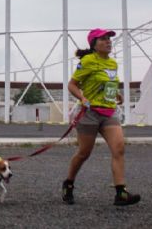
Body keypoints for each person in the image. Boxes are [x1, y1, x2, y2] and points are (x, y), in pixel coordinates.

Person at [61, 28, 141, 206]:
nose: (108, 41)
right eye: (103, 39)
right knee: (84, 153)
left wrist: (116, 94)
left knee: (118, 148)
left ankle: (121, 193)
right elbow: (72, 85)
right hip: (89, 113)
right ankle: (68, 183)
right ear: (94, 44)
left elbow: (109, 84)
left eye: (109, 39)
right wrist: (82, 97)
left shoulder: (112, 64)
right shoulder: (87, 61)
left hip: (109, 112)